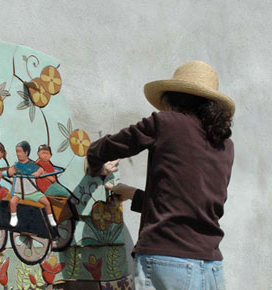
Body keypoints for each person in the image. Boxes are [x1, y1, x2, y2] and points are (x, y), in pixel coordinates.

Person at [86, 61, 234, 290]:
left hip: (167, 260)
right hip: (212, 267)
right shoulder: (225, 146)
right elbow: (193, 207)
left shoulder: (166, 123)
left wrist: (94, 162)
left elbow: (114, 145)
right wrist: (134, 195)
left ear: (173, 97)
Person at [7, 141, 57, 227]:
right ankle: (14, 217)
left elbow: (41, 169)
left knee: (47, 203)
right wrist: (10, 171)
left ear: (26, 152)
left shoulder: (32, 164)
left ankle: (51, 218)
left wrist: (38, 172)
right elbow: (10, 172)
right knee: (12, 202)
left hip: (33, 192)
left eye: (20, 152)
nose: (18, 154)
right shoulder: (16, 165)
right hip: (19, 193)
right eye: (17, 152)